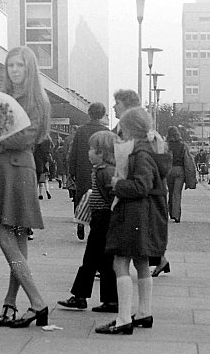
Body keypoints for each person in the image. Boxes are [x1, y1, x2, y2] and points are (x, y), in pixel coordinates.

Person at [0, 46, 49, 329]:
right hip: (2, 169)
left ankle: (37, 302)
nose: (14, 70)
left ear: (29, 69)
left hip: (15, 169)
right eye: (10, 66)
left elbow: (26, 136)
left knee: (7, 239)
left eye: (19, 66)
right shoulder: (4, 97)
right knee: (16, 241)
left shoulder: (36, 100)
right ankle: (10, 301)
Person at [95, 107, 168, 335]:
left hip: (135, 214)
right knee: (142, 262)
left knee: (120, 263)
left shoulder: (140, 154)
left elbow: (141, 186)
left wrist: (117, 185)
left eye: (122, 129)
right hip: (145, 214)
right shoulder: (151, 150)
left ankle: (123, 318)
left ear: (130, 131)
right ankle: (144, 313)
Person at [58, 130, 118, 313]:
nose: (88, 153)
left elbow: (112, 197)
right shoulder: (102, 170)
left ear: (102, 152)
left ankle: (81, 297)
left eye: (91, 149)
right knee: (103, 262)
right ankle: (107, 300)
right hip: (101, 220)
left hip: (103, 220)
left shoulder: (104, 172)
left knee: (92, 259)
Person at [69, 102, 108, 240]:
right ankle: (94, 224)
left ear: (89, 113)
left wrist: (72, 171)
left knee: (81, 196)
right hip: (100, 171)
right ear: (102, 114)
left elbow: (73, 152)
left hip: (82, 169)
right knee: (99, 197)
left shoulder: (80, 130)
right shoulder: (106, 132)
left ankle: (80, 221)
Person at [165, 126, 186, 223]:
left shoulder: (167, 145)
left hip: (169, 170)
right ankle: (177, 215)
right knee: (177, 193)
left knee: (171, 191)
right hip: (180, 170)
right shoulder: (182, 145)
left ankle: (171, 213)